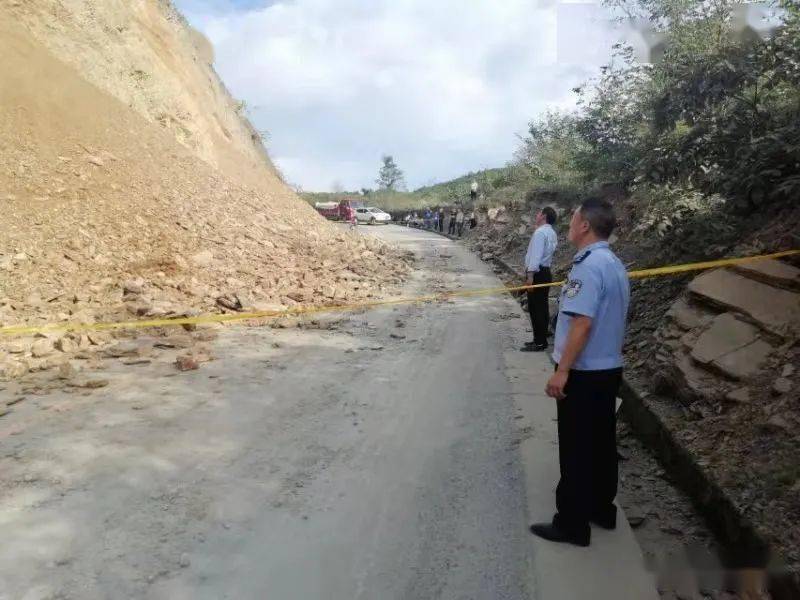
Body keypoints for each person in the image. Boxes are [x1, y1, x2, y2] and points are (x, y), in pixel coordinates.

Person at [529, 197, 630, 548]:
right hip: (609, 368)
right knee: (601, 443)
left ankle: (572, 523)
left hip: (584, 372)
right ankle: (601, 509)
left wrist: (563, 371)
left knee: (576, 448)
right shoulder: (614, 263)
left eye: (573, 219)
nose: (569, 224)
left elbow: (582, 323)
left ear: (584, 225)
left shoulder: (587, 266)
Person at [521, 206, 558, 352]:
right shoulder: (551, 233)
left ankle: (539, 342)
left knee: (535, 308)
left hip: (537, 273)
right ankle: (540, 338)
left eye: (538, 213)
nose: (536, 215)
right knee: (542, 306)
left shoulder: (540, 233)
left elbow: (535, 256)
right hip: (545, 272)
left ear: (543, 216)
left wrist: (530, 276)